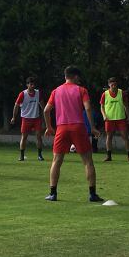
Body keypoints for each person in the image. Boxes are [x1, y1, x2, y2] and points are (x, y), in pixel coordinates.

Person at [43, 66, 104, 202]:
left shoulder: (56, 91)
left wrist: (49, 127)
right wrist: (93, 127)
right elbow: (88, 108)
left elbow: (46, 110)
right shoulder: (81, 90)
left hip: (61, 128)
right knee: (88, 161)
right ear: (76, 76)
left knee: (56, 161)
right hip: (78, 127)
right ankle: (92, 194)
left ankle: (53, 193)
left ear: (65, 76)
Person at [100, 77, 129, 162]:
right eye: (112, 85)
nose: (114, 86)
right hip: (109, 119)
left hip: (121, 118)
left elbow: (126, 106)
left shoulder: (122, 93)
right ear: (109, 85)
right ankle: (109, 156)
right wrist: (104, 115)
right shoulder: (105, 94)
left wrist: (128, 117)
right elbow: (102, 107)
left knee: (125, 137)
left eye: (115, 84)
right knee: (109, 137)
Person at [10, 77, 44, 161]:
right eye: (30, 84)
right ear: (27, 85)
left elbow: (42, 105)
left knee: (39, 137)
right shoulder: (22, 94)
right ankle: (22, 155)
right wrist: (14, 117)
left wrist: (46, 114)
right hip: (26, 118)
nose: (32, 86)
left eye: (33, 84)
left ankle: (39, 155)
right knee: (24, 137)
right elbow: (16, 106)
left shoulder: (38, 93)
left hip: (36, 118)